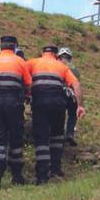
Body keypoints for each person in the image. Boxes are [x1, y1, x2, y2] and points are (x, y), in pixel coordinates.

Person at [26, 45, 85, 184]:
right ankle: (56, 169)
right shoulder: (62, 67)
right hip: (58, 104)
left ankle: (41, 175)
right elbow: (76, 85)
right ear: (55, 55)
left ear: (43, 53)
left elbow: (23, 78)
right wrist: (80, 105)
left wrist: (27, 94)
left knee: (42, 138)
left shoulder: (32, 63)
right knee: (57, 136)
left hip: (39, 103)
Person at [0, 35, 32, 189]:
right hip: (13, 102)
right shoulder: (20, 61)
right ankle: (16, 175)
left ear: (0, 48)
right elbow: (28, 84)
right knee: (15, 136)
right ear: (14, 48)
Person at [58, 47, 81, 146]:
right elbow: (76, 84)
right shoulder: (74, 69)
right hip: (70, 94)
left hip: (57, 93)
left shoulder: (55, 65)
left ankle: (58, 133)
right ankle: (70, 133)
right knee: (72, 113)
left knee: (59, 114)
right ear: (70, 58)